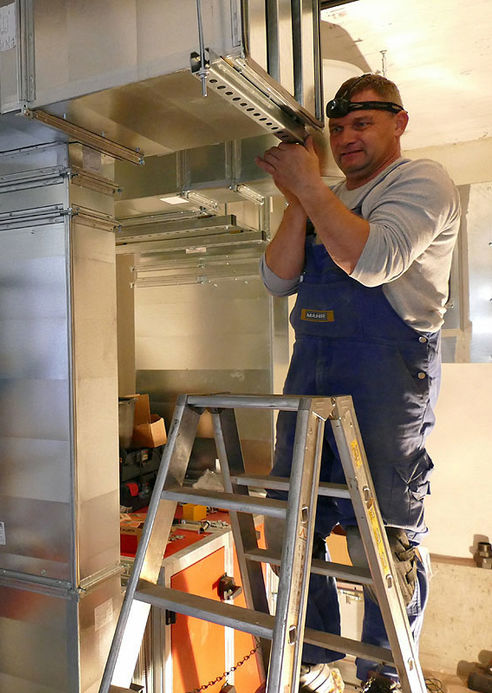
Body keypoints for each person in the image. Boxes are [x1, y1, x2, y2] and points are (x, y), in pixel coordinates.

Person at [254, 74, 461, 692]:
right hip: (312, 372)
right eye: (338, 126)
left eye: (362, 124)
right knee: (295, 519)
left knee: (383, 536)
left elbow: (372, 262)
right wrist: (297, 199)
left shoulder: (422, 182)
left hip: (384, 379)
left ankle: (386, 672)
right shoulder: (323, 198)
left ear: (399, 122)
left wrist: (311, 186)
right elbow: (277, 280)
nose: (346, 137)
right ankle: (314, 656)